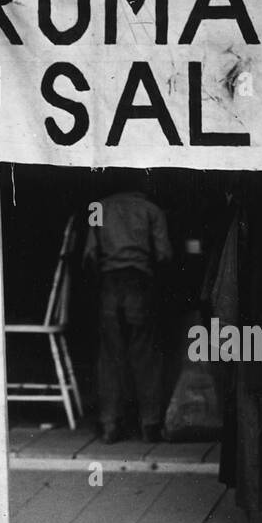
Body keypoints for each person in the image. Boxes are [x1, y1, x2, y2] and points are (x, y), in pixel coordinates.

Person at [83, 171, 173, 444]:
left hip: (109, 286)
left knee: (110, 356)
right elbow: (164, 254)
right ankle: (150, 424)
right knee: (145, 355)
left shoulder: (98, 208)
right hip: (139, 284)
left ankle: (110, 424)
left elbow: (89, 255)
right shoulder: (151, 210)